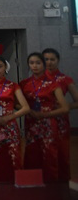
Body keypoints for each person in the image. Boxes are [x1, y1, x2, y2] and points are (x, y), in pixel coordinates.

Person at [20, 52, 69, 182]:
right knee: (32, 154)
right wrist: (29, 110)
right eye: (31, 63)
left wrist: (44, 114)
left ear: (43, 64)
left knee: (49, 154)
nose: (34, 66)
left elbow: (65, 108)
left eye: (38, 63)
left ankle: (51, 187)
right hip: (31, 123)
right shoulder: (24, 83)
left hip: (48, 123)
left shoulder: (53, 84)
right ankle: (32, 184)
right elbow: (16, 103)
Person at [0, 55, 30, 182]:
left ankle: (16, 186)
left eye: (0, 66)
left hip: (10, 128)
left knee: (14, 157)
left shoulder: (13, 85)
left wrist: (9, 117)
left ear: (5, 67)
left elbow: (26, 108)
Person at [42, 47, 78, 181]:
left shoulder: (65, 79)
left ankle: (62, 186)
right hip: (41, 121)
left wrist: (64, 106)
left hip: (60, 121)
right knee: (43, 154)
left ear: (58, 60)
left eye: (52, 59)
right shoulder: (37, 79)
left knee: (62, 154)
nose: (49, 62)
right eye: (46, 59)